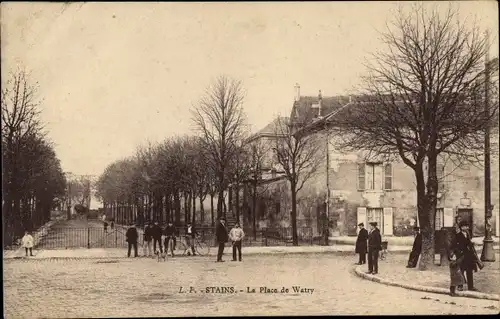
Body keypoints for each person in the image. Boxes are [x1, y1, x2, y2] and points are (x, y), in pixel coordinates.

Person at [452, 221, 480, 291]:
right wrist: (458, 252)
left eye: (467, 226)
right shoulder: (457, 235)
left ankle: (471, 287)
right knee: (461, 271)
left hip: (468, 256)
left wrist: (471, 244)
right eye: (465, 226)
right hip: (461, 256)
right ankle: (460, 286)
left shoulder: (468, 234)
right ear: (461, 227)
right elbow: (453, 245)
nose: (467, 227)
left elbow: (468, 243)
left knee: (469, 271)